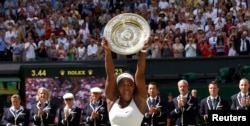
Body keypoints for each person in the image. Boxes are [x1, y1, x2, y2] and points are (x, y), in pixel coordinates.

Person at [102, 37, 149, 126]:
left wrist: (143, 50)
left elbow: (139, 75)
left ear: (134, 87)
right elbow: (110, 75)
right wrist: (107, 51)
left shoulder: (139, 101)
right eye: (122, 85)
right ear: (117, 88)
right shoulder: (111, 101)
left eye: (130, 84)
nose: (126, 87)